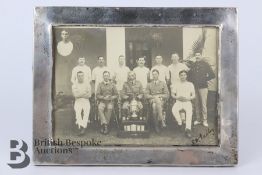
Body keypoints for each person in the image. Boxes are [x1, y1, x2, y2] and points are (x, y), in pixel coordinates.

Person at [188, 53, 215, 127]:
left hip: (203, 87)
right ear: (195, 57)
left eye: (199, 55)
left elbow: (212, 75)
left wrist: (204, 79)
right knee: (196, 104)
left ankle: (205, 120)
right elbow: (189, 75)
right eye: (196, 55)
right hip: (195, 87)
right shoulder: (193, 65)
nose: (197, 56)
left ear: (201, 56)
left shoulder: (205, 64)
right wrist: (191, 82)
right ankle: (198, 119)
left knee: (203, 104)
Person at [171, 70, 195, 138]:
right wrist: (177, 97)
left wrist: (188, 98)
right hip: (178, 101)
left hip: (187, 101)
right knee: (174, 110)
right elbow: (172, 94)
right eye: (181, 75)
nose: (183, 76)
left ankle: (188, 129)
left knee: (189, 112)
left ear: (186, 76)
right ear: (179, 76)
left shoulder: (190, 84)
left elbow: (193, 95)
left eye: (184, 75)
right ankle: (180, 123)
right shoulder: (176, 84)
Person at [72, 71, 91, 135]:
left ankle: (83, 127)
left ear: (83, 76)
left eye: (81, 76)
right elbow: (75, 95)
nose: (80, 77)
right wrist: (84, 93)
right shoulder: (74, 84)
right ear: (77, 77)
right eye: (79, 76)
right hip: (78, 101)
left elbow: (89, 95)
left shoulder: (87, 84)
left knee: (86, 111)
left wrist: (80, 94)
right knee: (78, 112)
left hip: (86, 100)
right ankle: (80, 125)